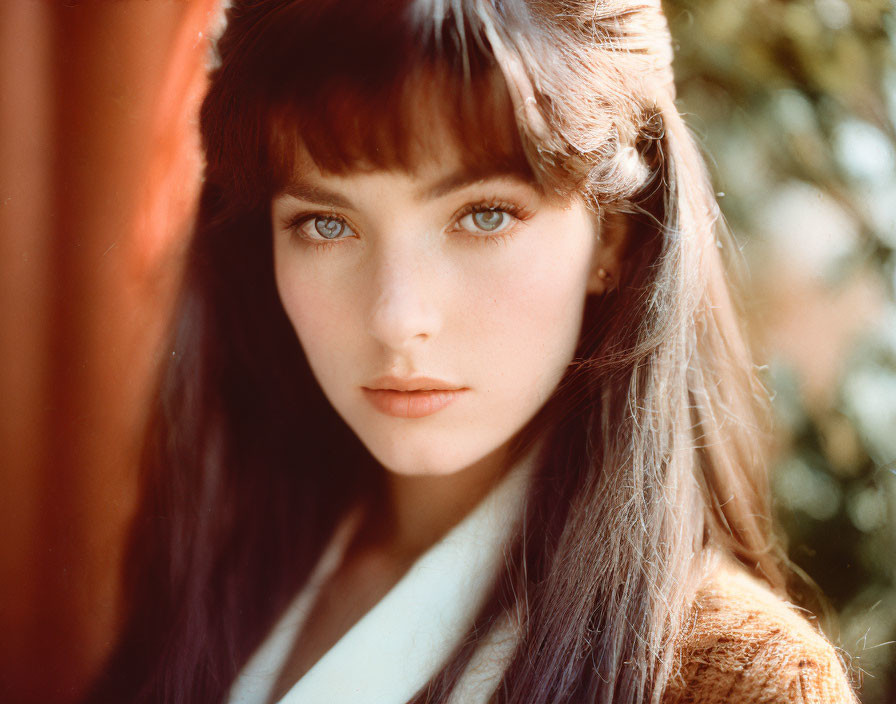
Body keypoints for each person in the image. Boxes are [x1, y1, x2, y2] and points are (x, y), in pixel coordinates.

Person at [85, 1, 860, 703]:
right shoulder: (217, 568)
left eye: (484, 215)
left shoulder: (738, 683)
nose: (397, 319)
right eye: (326, 223)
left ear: (614, 237)